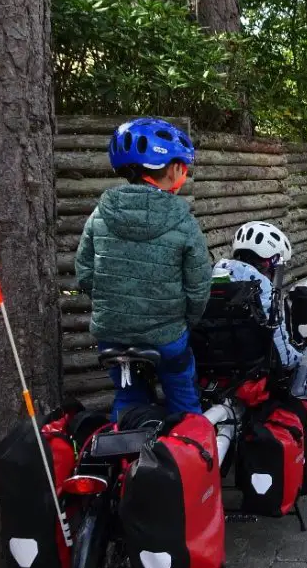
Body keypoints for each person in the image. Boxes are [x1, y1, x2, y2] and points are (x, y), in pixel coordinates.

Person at [75, 118, 212, 419]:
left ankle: (119, 453)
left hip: (112, 335)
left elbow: (84, 272)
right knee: (184, 399)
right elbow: (199, 287)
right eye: (183, 167)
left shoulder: (101, 213)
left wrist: (113, 309)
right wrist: (185, 321)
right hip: (166, 336)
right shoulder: (183, 221)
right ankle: (187, 450)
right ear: (174, 169)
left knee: (128, 398)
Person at [212, 221, 303, 370]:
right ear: (269, 263)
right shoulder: (263, 290)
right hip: (254, 370)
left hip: (216, 365)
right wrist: (306, 357)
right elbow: (284, 358)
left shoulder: (216, 278)